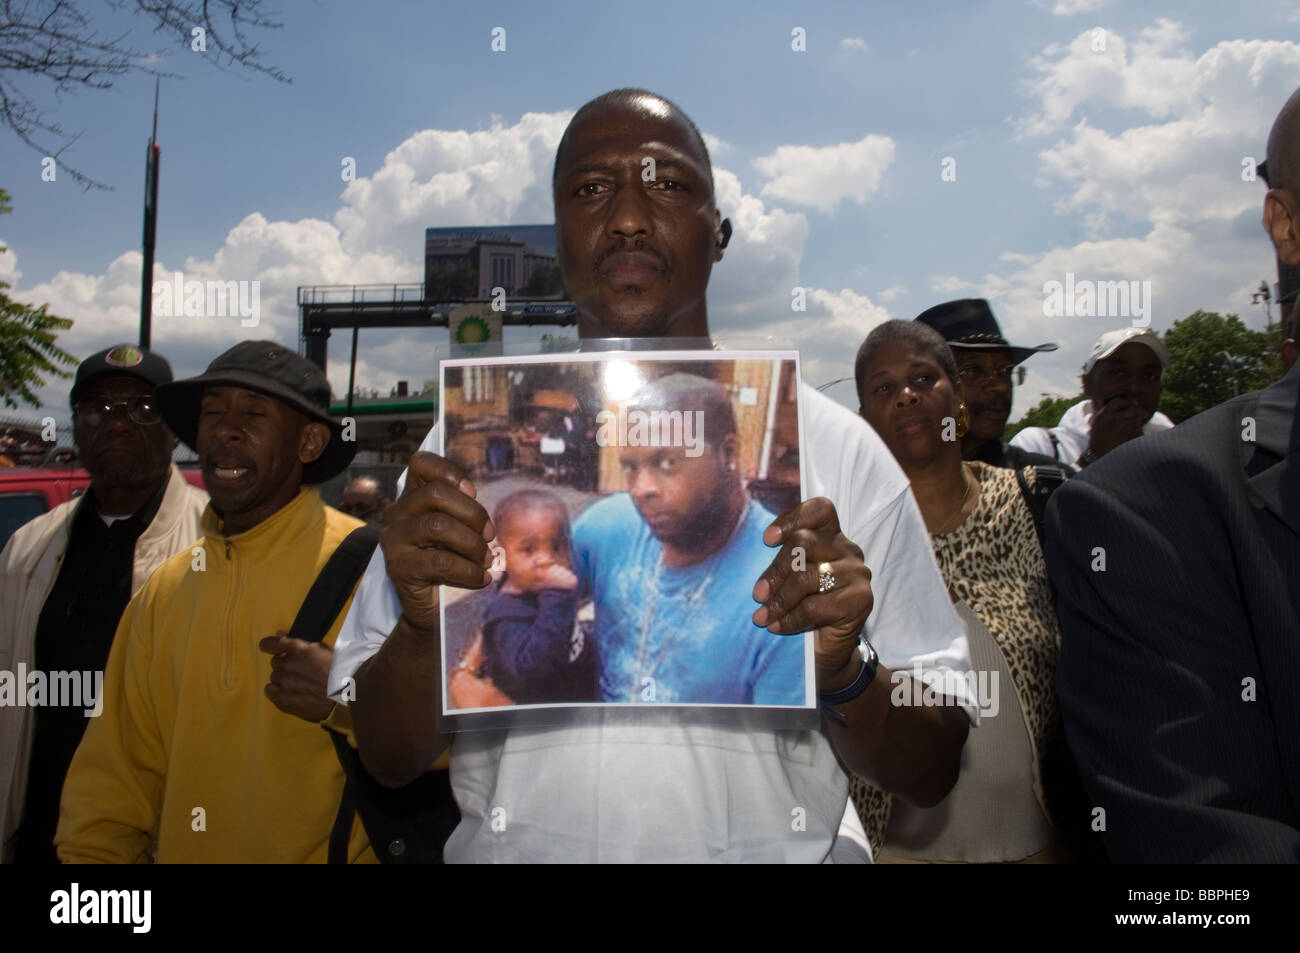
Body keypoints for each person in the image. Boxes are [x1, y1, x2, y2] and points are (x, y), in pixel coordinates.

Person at [328, 88, 976, 863]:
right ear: (557, 235)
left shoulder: (842, 451)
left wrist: (844, 671)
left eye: (668, 184)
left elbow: (933, 768)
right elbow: (388, 756)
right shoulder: (458, 458)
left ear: (721, 232)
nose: (629, 217)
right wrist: (426, 626)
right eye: (592, 189)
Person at [1046, 86, 1300, 862]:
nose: (1132, 391)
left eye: (1146, 375)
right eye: (1113, 376)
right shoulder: (1144, 514)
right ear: (1286, 225)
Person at [55, 341, 375, 863]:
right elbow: (115, 778)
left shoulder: (375, 572)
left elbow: (452, 748)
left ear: (310, 442)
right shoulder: (165, 589)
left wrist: (353, 699)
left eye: (253, 413)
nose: (225, 430)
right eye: (211, 414)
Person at [853, 320, 1068, 862]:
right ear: (863, 425)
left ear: (960, 403)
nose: (906, 396)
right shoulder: (845, 541)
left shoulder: (1039, 504)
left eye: (924, 379)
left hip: (1042, 846)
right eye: (883, 388)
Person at [0, 345, 208, 864]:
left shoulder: (217, 544)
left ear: (175, 430)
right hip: (38, 825)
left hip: (152, 838)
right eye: (99, 407)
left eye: (142, 408)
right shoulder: (29, 547)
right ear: (76, 424)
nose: (117, 424)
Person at [459, 488, 590, 706]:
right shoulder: (506, 616)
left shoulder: (542, 590)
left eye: (557, 547)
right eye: (528, 550)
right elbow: (532, 668)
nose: (547, 560)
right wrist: (557, 597)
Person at [913, 298, 1064, 471]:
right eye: (973, 370)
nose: (1001, 387)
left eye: (1005, 371)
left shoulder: (1041, 485)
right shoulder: (885, 480)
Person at [1010, 328, 1173, 468]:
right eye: (1119, 373)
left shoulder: (1173, 448)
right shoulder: (1039, 446)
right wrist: (1093, 455)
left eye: (1149, 376)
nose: (1134, 387)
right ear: (1087, 384)